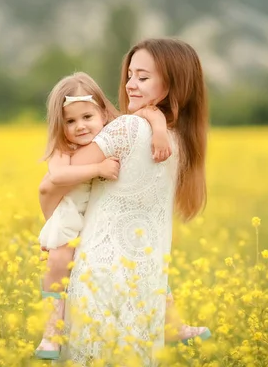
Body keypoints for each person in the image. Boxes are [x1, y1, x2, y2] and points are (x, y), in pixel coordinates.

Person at [39, 38, 210, 365]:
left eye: (143, 78)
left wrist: (55, 229)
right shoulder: (180, 140)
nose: (130, 84)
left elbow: (51, 184)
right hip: (147, 286)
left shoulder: (128, 129)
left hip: (99, 278)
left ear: (174, 83)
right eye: (130, 75)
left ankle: (51, 330)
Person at [34, 72, 173, 360]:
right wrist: (97, 169)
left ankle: (174, 322)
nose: (80, 126)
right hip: (71, 216)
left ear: (103, 111)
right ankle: (51, 331)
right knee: (59, 262)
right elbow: (57, 176)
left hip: (99, 219)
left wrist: (159, 130)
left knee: (145, 259)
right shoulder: (64, 147)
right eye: (70, 121)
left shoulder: (116, 131)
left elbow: (148, 112)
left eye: (87, 116)